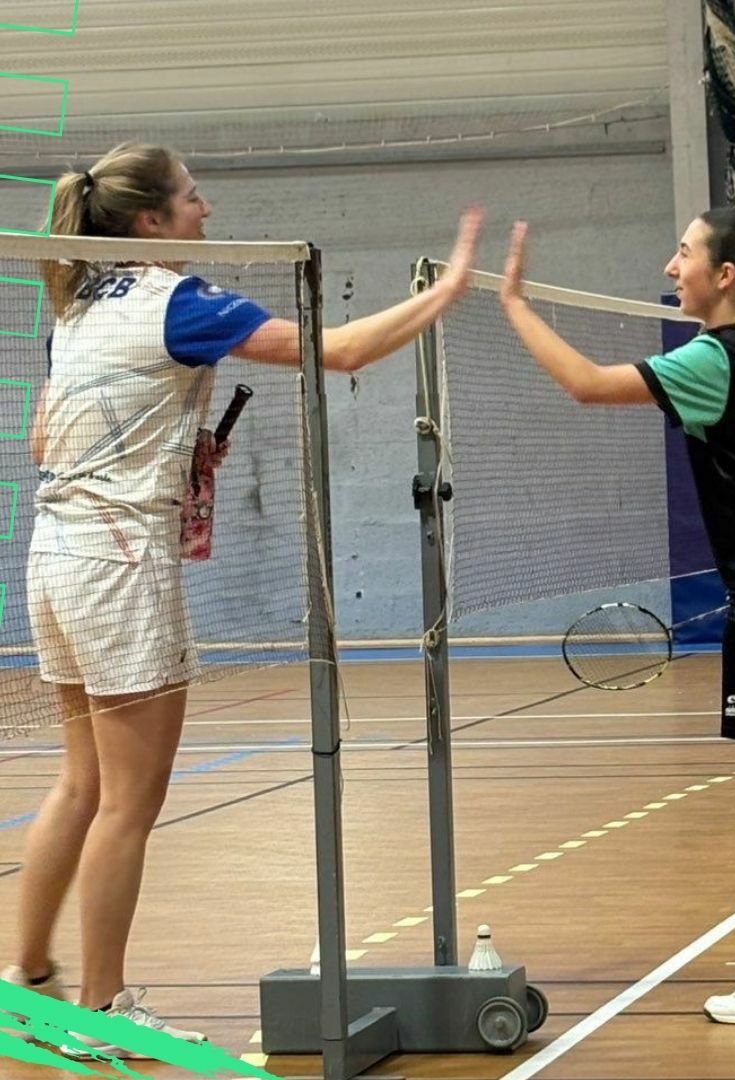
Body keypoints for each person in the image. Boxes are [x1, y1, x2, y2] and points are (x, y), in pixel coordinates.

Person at [1, 141, 482, 1059]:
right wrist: (446, 292)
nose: (206, 209)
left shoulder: (78, 306)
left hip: (53, 558)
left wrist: (173, 449)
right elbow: (341, 351)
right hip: (119, 569)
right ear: (151, 222)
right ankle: (102, 1012)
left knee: (81, 783)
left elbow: (41, 442)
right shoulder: (179, 302)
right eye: (192, 197)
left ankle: (27, 981)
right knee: (127, 803)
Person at [499, 208, 735, 1024]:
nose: (672, 268)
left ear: (725, 275)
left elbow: (585, 385)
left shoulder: (716, 357)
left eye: (684, 253)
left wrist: (516, 306)